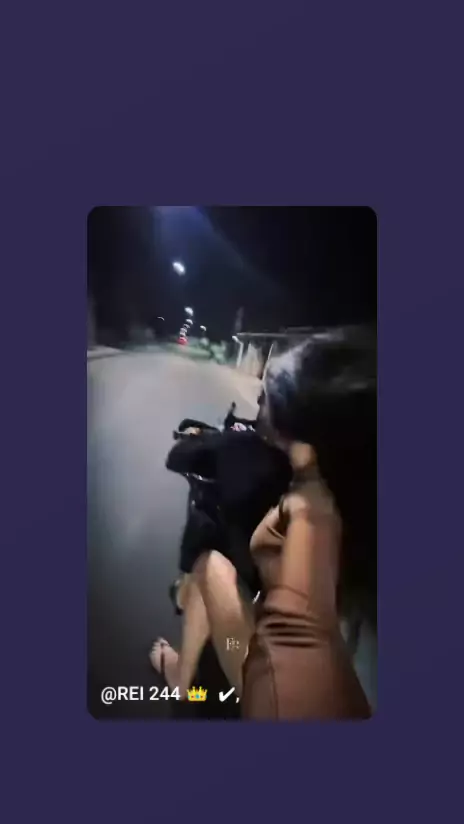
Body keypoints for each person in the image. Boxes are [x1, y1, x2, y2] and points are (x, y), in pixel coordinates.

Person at [151, 327, 376, 712]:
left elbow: (291, 664)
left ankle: (182, 683)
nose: (258, 401)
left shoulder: (313, 505)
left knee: (209, 565)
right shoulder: (353, 490)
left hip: (287, 696)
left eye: (265, 397)